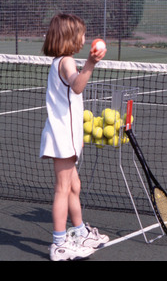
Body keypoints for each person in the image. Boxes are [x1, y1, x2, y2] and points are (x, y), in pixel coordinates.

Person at [40, 14, 109, 261]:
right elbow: (77, 86)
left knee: (74, 186)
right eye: (80, 34)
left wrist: (77, 137)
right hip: (61, 137)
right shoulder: (67, 61)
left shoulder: (63, 61)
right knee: (63, 189)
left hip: (66, 137)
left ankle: (79, 232)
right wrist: (90, 63)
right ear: (69, 37)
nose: (83, 39)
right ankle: (59, 243)